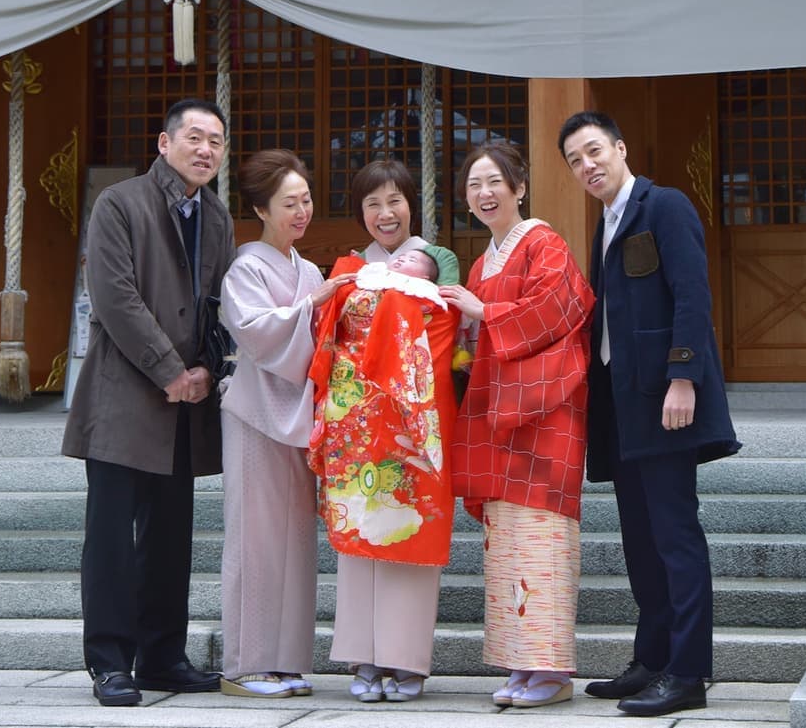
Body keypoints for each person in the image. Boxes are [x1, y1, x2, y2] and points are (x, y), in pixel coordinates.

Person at [558, 111, 741, 718]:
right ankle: (653, 659)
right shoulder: (606, 224)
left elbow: (691, 293)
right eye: (575, 161)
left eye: (594, 151)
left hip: (666, 401)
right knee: (640, 540)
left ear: (621, 147)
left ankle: (688, 673)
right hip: (623, 403)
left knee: (674, 535)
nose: (588, 166)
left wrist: (684, 376)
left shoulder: (663, 207)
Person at [61, 99, 237, 707]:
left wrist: (208, 371)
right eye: (194, 137)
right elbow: (113, 295)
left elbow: (222, 305)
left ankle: (162, 654)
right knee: (110, 536)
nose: (205, 150)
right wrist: (169, 370)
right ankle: (109, 661)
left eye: (216, 141)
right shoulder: (122, 203)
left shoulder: (216, 216)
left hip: (186, 403)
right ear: (165, 144)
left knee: (170, 537)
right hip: (124, 397)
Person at [438, 141, 594, 709]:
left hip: (545, 410)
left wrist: (483, 314)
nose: (484, 194)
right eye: (474, 185)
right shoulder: (483, 262)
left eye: (494, 182)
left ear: (519, 187)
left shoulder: (544, 243)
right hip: (498, 414)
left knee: (542, 538)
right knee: (505, 542)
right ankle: (519, 663)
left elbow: (556, 312)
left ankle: (549, 669)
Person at [216, 150, 357, 699]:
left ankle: (287, 659)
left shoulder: (307, 269)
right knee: (255, 537)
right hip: (256, 416)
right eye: (289, 203)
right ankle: (245, 664)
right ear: (261, 209)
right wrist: (310, 308)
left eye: (306, 200)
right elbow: (254, 331)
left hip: (300, 418)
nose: (302, 212)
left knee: (296, 538)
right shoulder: (245, 267)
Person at [308, 243, 460, 704]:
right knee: (360, 536)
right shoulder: (356, 276)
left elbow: (429, 362)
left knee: (407, 539)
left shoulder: (435, 303)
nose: (385, 212)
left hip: (412, 437)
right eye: (373, 203)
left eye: (394, 201)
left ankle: (407, 659)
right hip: (357, 424)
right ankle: (363, 657)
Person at [350, 158, 459, 287]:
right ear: (361, 213)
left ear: (411, 205)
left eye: (394, 201)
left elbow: (446, 305)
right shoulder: (353, 264)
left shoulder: (441, 259)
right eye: (373, 204)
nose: (386, 215)